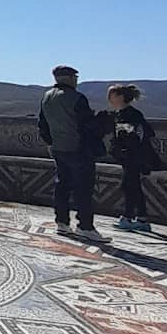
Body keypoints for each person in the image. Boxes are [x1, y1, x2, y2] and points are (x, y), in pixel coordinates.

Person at [37, 65, 106, 239]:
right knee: (83, 188)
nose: (76, 80)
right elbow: (87, 125)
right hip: (78, 149)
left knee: (62, 186)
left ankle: (62, 223)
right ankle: (85, 226)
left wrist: (51, 143)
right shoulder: (76, 98)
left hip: (59, 148)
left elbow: (42, 124)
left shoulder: (46, 97)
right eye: (75, 77)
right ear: (68, 78)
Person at [106, 83, 158, 232]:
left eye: (112, 95)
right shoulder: (121, 114)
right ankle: (141, 218)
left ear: (120, 97)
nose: (109, 99)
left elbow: (135, 134)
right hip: (128, 156)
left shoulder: (130, 114)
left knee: (129, 185)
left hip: (133, 155)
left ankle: (128, 217)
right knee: (133, 185)